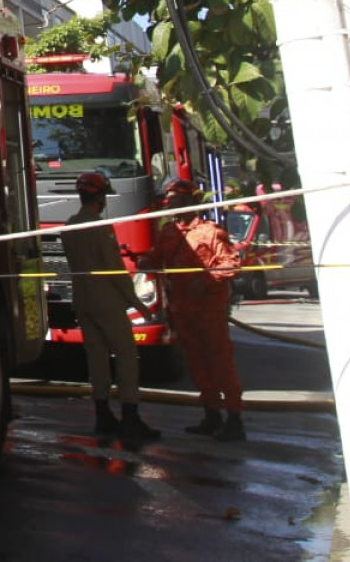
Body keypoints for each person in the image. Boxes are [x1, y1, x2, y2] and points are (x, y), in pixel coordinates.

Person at [59, 170, 159, 441]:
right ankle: (130, 417)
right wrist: (137, 302)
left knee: (97, 358)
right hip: (106, 301)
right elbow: (113, 269)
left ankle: (102, 415)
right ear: (100, 197)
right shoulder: (100, 227)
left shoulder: (69, 227)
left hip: (83, 301)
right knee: (126, 356)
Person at [149, 178, 247, 440]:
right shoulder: (168, 233)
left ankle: (234, 419)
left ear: (189, 202)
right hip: (182, 310)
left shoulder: (210, 232)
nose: (171, 205)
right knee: (196, 362)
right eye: (169, 201)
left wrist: (204, 281)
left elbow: (230, 264)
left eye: (176, 201)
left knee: (220, 361)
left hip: (209, 309)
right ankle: (211, 414)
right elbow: (155, 259)